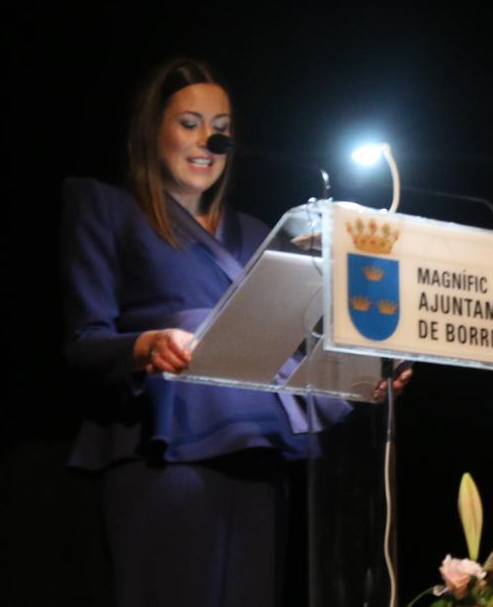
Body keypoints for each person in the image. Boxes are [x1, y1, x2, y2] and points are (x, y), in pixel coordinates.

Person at [61, 58, 407, 607]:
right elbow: (82, 343)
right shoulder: (105, 208)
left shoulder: (253, 232)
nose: (208, 141)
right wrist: (145, 346)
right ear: (153, 130)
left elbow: (289, 352)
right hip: (165, 451)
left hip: (257, 452)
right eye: (190, 123)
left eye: (221, 128)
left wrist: (362, 377)